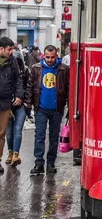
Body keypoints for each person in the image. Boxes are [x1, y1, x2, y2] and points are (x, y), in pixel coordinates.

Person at [25, 44, 69, 175]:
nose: (50, 60)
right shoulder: (36, 68)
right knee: (39, 136)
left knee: (54, 137)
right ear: (43, 56)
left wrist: (70, 108)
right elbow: (30, 87)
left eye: (52, 57)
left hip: (57, 109)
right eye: (47, 57)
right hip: (41, 108)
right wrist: (28, 105)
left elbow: (69, 89)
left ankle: (51, 163)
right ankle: (39, 163)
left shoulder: (64, 69)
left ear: (56, 56)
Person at [0, 37, 24, 173]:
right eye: (9, 49)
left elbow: (18, 80)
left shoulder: (12, 61)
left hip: (5, 103)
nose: (11, 52)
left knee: (1, 133)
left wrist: (19, 95)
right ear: (1, 49)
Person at [5, 46, 30, 167]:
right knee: (9, 132)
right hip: (7, 105)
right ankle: (10, 153)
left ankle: (15, 154)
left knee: (17, 130)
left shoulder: (26, 71)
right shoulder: (6, 69)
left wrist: (23, 100)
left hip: (21, 105)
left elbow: (28, 87)